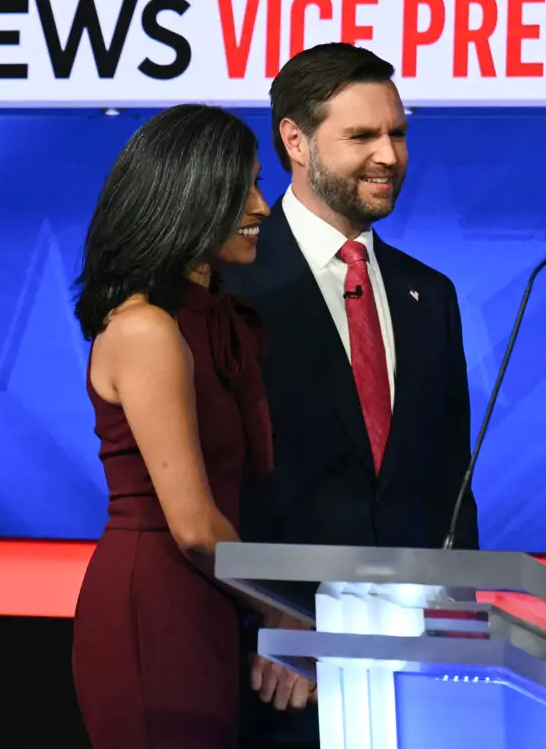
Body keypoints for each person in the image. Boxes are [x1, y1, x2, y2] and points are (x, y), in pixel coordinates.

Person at [220, 42, 478, 748]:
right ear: (295, 141)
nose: (389, 156)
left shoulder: (431, 295)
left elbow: (448, 487)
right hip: (276, 671)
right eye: (361, 136)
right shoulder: (229, 286)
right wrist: (273, 618)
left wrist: (460, 625)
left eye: (396, 134)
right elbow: (211, 489)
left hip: (415, 679)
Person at [71, 104, 306, 748]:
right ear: (189, 198)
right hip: (159, 605)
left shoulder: (215, 320)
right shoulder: (147, 328)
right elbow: (196, 528)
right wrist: (284, 616)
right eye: (246, 189)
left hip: (207, 600)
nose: (262, 208)